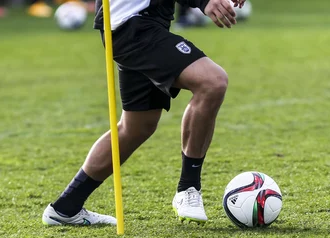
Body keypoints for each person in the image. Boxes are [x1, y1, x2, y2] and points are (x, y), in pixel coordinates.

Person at [42, 0, 245, 226]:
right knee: (212, 82)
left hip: (135, 26)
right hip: (133, 27)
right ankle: (188, 187)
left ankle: (65, 207)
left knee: (138, 126)